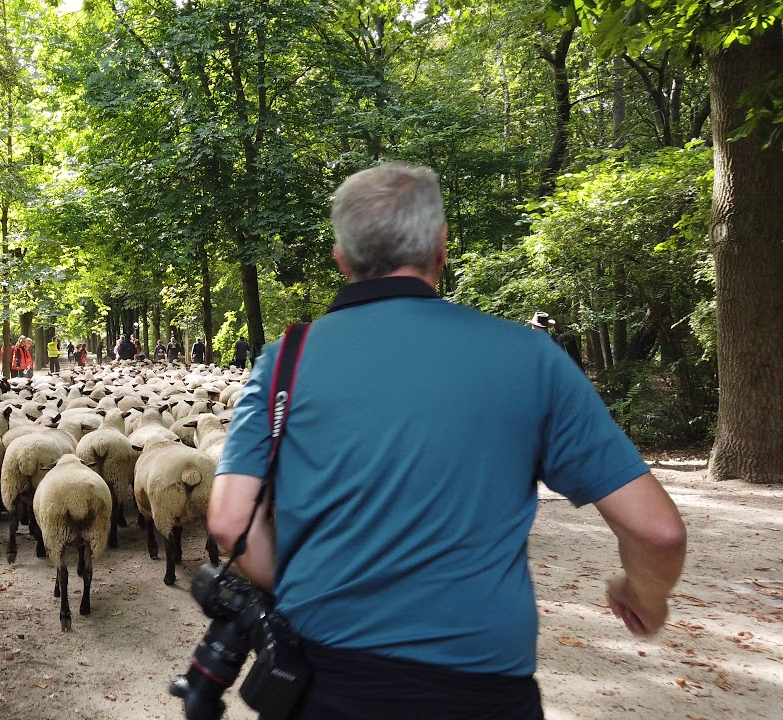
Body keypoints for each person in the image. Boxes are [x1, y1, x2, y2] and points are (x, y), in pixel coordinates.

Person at [208, 163, 687, 720]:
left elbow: (229, 521)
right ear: (441, 245)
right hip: (483, 688)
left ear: (341, 257)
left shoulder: (283, 362)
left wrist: (305, 591)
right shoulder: (530, 358)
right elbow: (659, 531)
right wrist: (643, 595)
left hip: (323, 679)